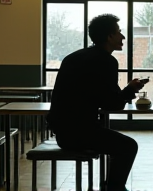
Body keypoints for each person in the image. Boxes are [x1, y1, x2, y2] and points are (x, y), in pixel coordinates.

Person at [46, 13, 145, 191]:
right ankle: (114, 189)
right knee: (128, 146)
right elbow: (112, 104)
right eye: (119, 32)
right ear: (109, 36)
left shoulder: (74, 57)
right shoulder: (106, 61)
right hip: (80, 134)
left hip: (62, 132)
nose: (122, 36)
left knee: (114, 141)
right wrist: (130, 90)